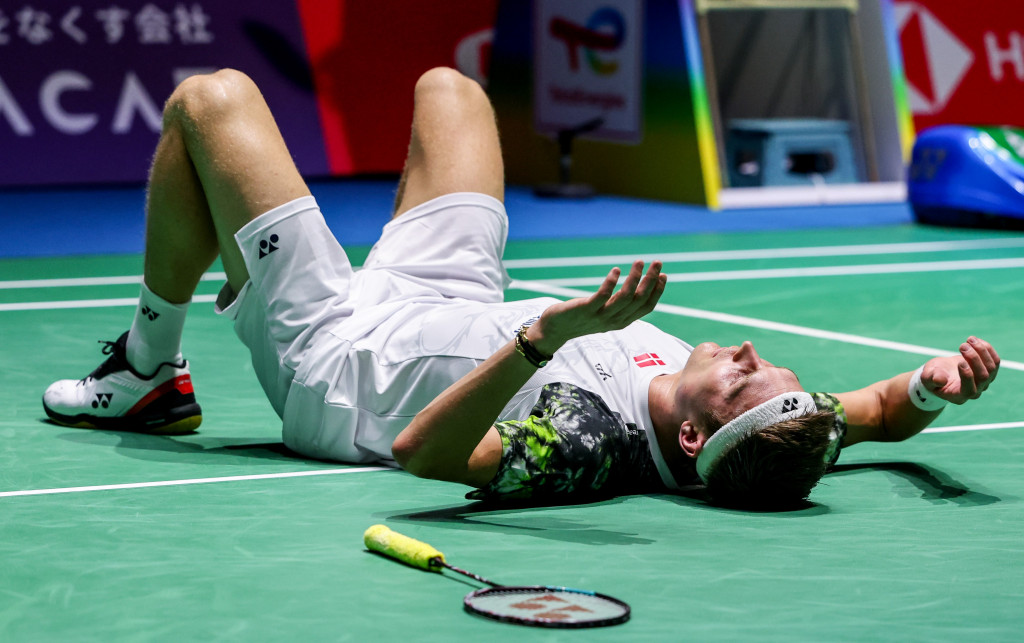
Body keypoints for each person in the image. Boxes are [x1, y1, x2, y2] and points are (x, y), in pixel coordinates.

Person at [42, 68, 1001, 509]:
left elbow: (424, 453)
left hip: (344, 363)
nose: (751, 358)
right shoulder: (781, 429)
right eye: (766, 367)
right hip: (444, 300)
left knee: (211, 104)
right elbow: (868, 413)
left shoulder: (588, 441)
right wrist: (929, 390)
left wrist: (549, 336)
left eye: (741, 380)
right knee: (448, 91)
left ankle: (148, 366)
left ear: (699, 436)